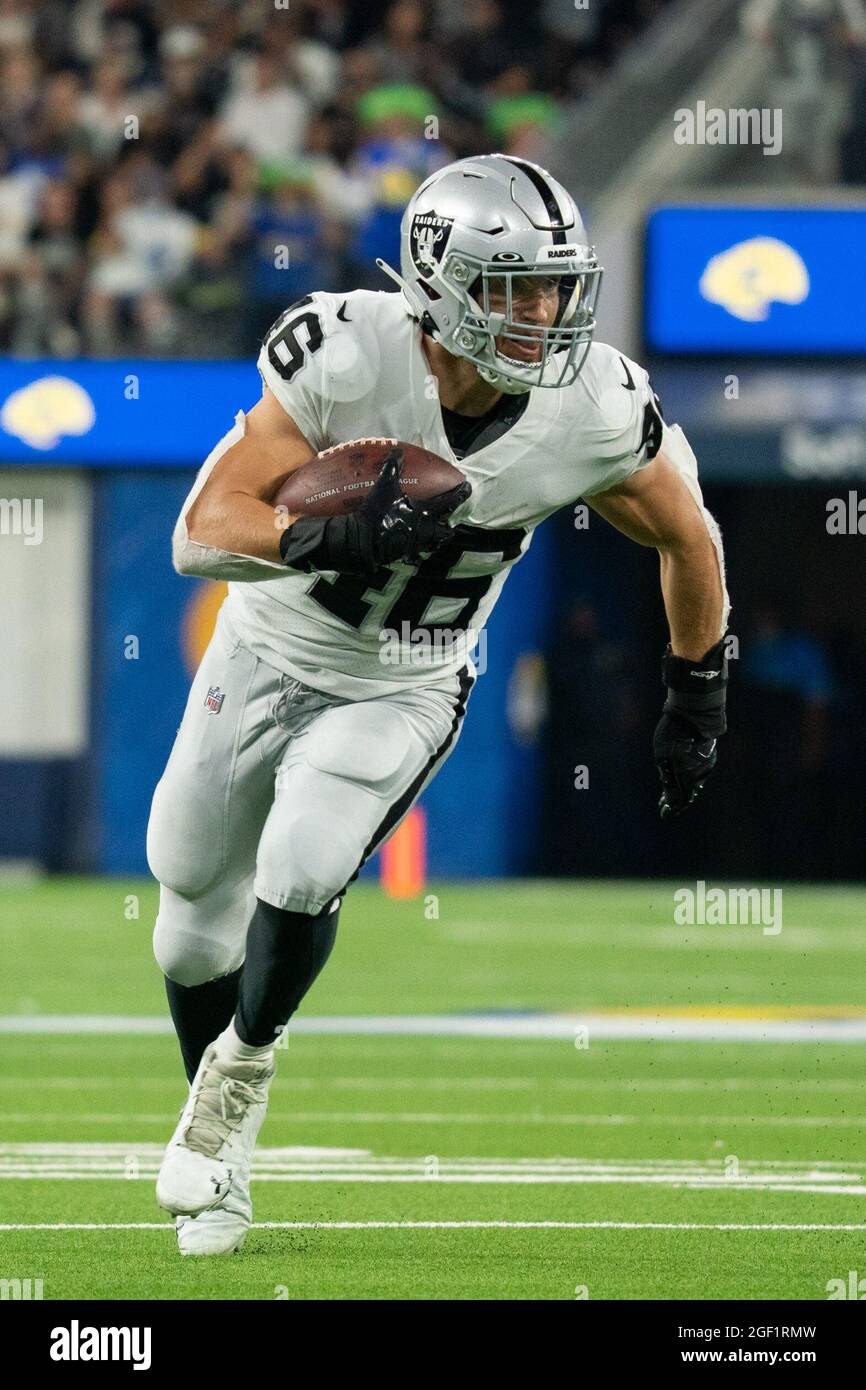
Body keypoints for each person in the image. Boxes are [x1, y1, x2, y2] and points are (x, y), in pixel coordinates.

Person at [147, 154, 730, 1255]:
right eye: (513, 287)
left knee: (303, 860)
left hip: (407, 674)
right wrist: (309, 534)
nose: (542, 314)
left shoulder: (593, 407)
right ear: (438, 277)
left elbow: (685, 532)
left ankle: (238, 1086)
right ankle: (216, 1133)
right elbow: (198, 529)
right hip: (269, 644)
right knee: (185, 917)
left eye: (554, 287)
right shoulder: (346, 350)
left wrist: (695, 687)